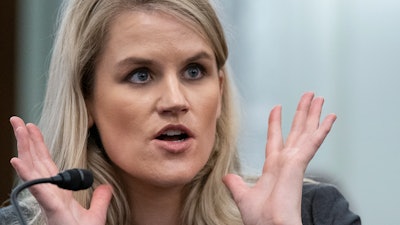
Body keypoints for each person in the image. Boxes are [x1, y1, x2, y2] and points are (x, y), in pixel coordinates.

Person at [1, 0, 361, 224]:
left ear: (219, 92)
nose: (175, 100)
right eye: (140, 75)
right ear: (87, 100)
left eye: (194, 71)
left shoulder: (312, 214)